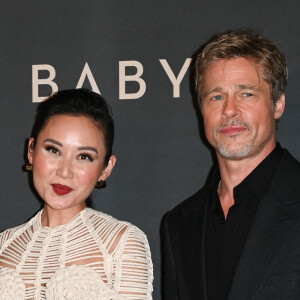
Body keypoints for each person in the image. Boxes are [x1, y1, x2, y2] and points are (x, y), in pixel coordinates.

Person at [162, 29, 300, 300]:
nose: (229, 110)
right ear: (201, 109)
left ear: (278, 104)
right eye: (216, 97)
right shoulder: (179, 224)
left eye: (246, 94)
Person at [0, 89, 153, 300]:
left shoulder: (121, 244)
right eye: (53, 150)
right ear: (31, 151)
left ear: (106, 169)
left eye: (84, 156)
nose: (64, 172)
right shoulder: (3, 245)